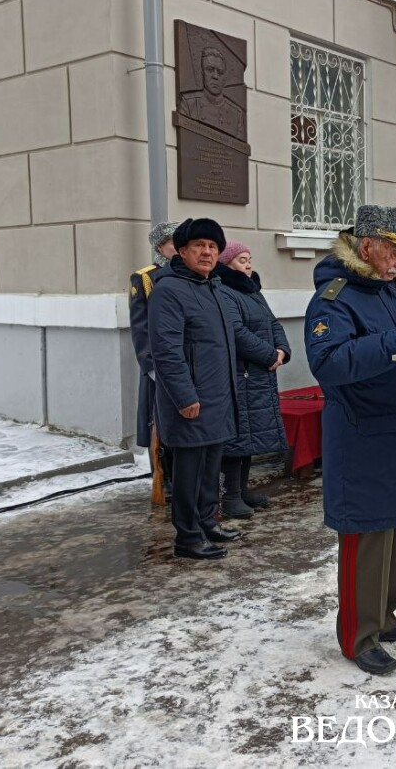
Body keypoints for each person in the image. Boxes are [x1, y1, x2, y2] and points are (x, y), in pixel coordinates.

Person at [304, 205, 396, 676]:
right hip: (362, 433)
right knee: (365, 534)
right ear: (367, 248)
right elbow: (330, 362)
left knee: (394, 528)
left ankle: (384, 616)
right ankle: (357, 636)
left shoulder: (389, 290)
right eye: (395, 251)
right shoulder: (333, 298)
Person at [149, 218, 241, 560]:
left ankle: (206, 522)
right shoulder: (168, 290)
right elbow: (166, 351)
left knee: (209, 467)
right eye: (199, 246)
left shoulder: (212, 286)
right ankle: (187, 537)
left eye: (213, 247)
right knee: (188, 472)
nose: (207, 252)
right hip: (191, 401)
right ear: (182, 251)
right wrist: (185, 396)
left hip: (217, 396)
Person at [214, 240, 291, 519]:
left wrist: (282, 350)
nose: (248, 265)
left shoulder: (251, 289)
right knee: (237, 436)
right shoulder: (224, 290)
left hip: (258, 374)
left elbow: (272, 323)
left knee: (248, 436)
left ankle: (242, 491)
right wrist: (269, 355)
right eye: (241, 260)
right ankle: (230, 496)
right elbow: (235, 331)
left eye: (249, 259)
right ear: (226, 264)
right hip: (240, 374)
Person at [129, 221, 178, 503]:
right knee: (156, 424)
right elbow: (141, 327)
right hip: (157, 366)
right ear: (160, 247)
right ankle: (163, 477)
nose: (178, 248)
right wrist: (149, 366)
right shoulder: (146, 278)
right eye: (173, 243)